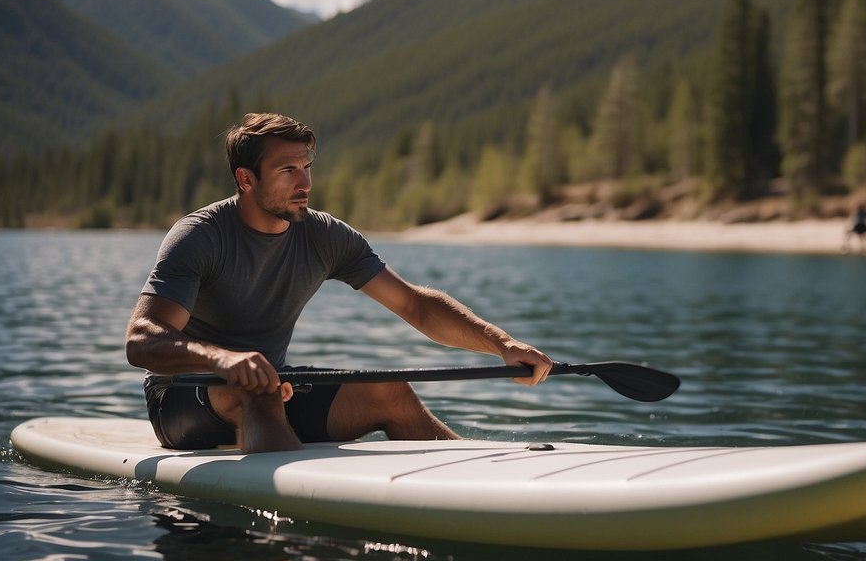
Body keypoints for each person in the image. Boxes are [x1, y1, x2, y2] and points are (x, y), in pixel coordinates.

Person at [127, 112, 553, 453]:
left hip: (272, 385)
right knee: (259, 390)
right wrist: (222, 360)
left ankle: (469, 483)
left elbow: (415, 306)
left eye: (308, 167)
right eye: (288, 170)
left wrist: (502, 344)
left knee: (387, 389)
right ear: (246, 179)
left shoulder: (324, 236)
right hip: (183, 400)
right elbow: (142, 340)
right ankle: (281, 520)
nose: (305, 183)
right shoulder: (200, 235)